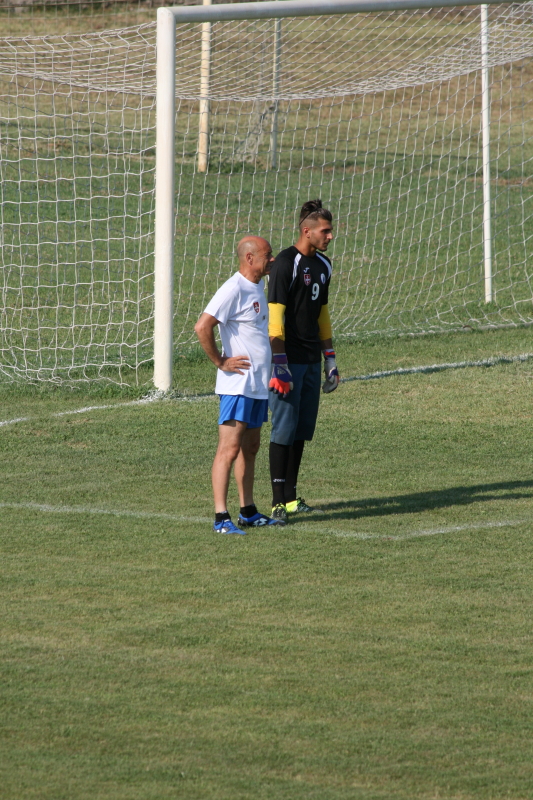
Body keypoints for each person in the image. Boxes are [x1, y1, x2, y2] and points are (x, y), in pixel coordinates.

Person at [194, 236, 284, 535]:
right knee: (229, 448)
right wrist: (220, 361)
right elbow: (202, 326)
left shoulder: (258, 286)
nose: (272, 259)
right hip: (238, 386)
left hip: (257, 384)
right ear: (249, 258)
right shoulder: (233, 288)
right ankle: (221, 517)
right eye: (268, 255)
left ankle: (248, 512)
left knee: (251, 447)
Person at [267, 199, 340, 524]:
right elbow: (275, 318)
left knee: (300, 430)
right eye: (325, 231)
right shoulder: (286, 263)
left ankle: (291, 498)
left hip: (311, 361)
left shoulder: (324, 265)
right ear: (306, 231)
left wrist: (330, 359)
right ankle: (276, 503)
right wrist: (279, 363)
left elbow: (322, 314)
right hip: (288, 361)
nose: (330, 236)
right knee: (283, 429)